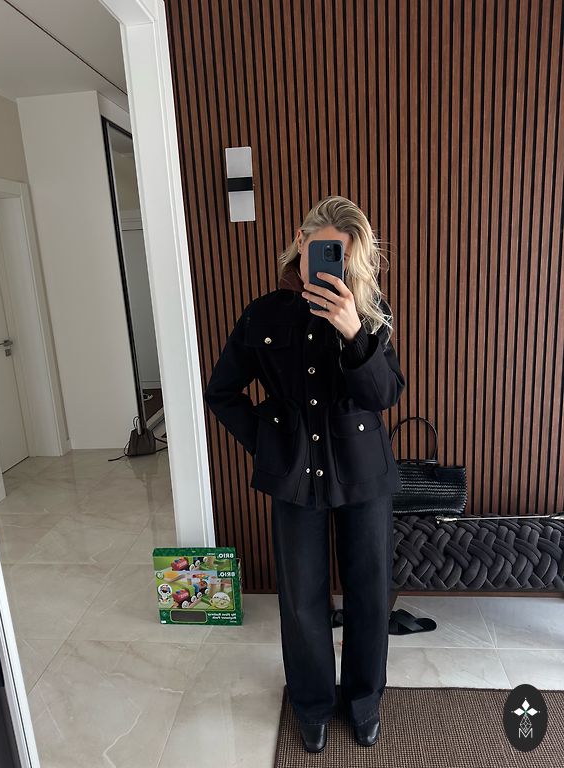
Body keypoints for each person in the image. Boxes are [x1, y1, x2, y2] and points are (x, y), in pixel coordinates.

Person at [204, 195, 405, 753]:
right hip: (295, 473)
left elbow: (385, 394)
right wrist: (269, 443)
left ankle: (364, 701)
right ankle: (311, 705)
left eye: (343, 255)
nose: (331, 265)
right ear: (301, 241)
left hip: (363, 471)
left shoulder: (368, 308)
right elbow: (222, 392)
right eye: (323, 250)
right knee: (301, 599)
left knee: (371, 592)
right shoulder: (263, 314)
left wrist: (354, 333)